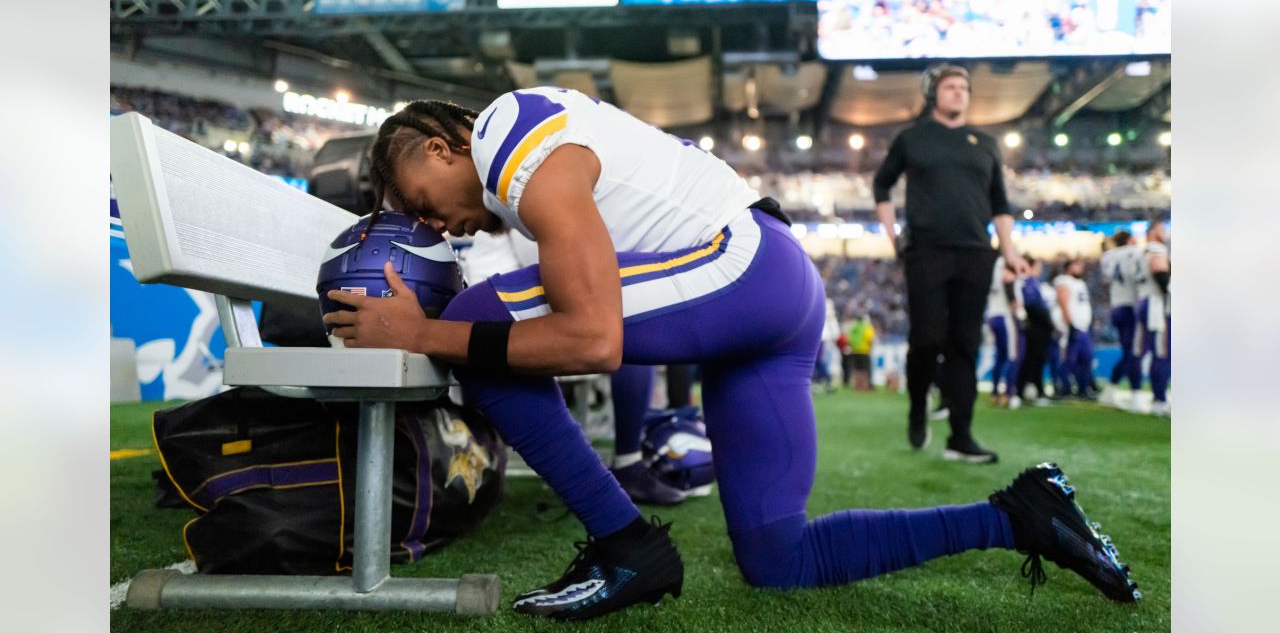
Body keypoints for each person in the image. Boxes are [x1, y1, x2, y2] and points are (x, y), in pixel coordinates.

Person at [321, 90, 1138, 620]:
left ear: (437, 146)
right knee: (780, 559)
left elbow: (596, 341)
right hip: (777, 295)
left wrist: (423, 334)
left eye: (419, 205)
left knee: (474, 319)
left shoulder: (506, 134)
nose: (435, 226)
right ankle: (1018, 515)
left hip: (738, 271)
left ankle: (626, 545)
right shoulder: (527, 172)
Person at [459, 229, 686, 505]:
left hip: (532, 297)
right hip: (503, 305)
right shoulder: (511, 205)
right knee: (615, 312)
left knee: (624, 312)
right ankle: (614, 467)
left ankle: (625, 464)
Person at [873, 64, 1028, 464]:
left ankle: (961, 436)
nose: (959, 93)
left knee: (965, 343)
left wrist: (1009, 250)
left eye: (964, 87)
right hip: (926, 250)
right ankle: (918, 406)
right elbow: (882, 184)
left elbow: (1000, 203)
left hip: (976, 251)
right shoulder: (912, 139)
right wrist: (893, 236)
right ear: (933, 95)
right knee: (926, 339)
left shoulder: (987, 143)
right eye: (951, 87)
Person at [1098, 231, 1143, 406]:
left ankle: (1111, 389)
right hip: (1130, 305)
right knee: (1134, 352)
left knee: (1128, 353)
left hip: (1116, 306)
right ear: (1130, 240)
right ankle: (1135, 393)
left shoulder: (1108, 256)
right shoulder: (1135, 252)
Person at [1134, 220, 1171, 416]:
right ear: (1153, 232)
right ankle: (1159, 399)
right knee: (1161, 352)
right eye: (1161, 229)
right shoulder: (1156, 249)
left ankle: (1145, 394)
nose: (1164, 233)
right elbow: (1160, 273)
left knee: (1146, 350)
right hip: (1154, 303)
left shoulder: (1142, 251)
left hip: (1144, 299)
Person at [1054, 258, 1096, 400]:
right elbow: (1063, 302)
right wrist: (1069, 324)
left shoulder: (1080, 283)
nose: (1080, 268)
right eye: (1077, 265)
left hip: (1083, 326)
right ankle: (1064, 389)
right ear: (1069, 266)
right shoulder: (1063, 280)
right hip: (1072, 326)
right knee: (1069, 359)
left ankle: (1083, 389)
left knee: (1086, 359)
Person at [1014, 255, 1054, 405]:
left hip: (1038, 326)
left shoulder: (1033, 283)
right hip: (1035, 327)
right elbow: (1033, 306)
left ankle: (1032, 389)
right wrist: (1048, 323)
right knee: (1032, 360)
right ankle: (1028, 391)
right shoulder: (1027, 283)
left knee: (1035, 360)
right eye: (1037, 266)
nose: (1040, 270)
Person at [986, 258, 1020, 407]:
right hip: (1004, 315)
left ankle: (995, 392)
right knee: (1011, 355)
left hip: (992, 315)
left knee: (1000, 356)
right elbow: (1008, 282)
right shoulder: (1004, 264)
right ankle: (1007, 392)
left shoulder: (991, 266)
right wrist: (1017, 309)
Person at [848, 313, 876, 391]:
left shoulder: (854, 327)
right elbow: (870, 339)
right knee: (865, 370)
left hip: (855, 351)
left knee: (857, 369)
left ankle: (857, 386)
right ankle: (864, 386)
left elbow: (850, 338)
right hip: (864, 351)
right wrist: (871, 348)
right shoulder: (867, 327)